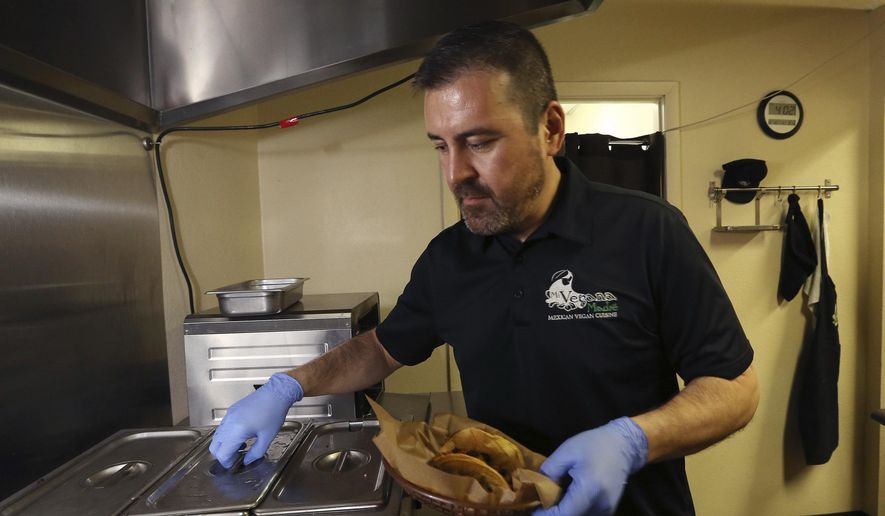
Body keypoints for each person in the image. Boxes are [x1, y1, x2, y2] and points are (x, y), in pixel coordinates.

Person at [209, 20, 760, 516]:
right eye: (441, 147)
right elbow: (380, 349)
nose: (456, 173)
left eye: (479, 142)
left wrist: (632, 439)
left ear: (550, 128)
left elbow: (735, 388)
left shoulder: (648, 232)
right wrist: (288, 386)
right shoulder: (450, 258)